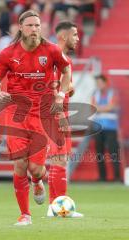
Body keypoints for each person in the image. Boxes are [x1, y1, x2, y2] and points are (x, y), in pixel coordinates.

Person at [0, 10, 71, 226]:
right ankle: (25, 214)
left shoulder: (52, 50)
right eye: (30, 26)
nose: (35, 29)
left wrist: (61, 94)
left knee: (35, 169)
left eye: (37, 25)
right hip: (15, 113)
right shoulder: (8, 53)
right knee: (19, 164)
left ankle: (37, 181)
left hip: (41, 114)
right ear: (21, 28)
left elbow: (67, 70)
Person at [47, 21, 83, 218]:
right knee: (59, 161)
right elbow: (51, 89)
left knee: (57, 161)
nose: (78, 38)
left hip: (58, 114)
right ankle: (61, 210)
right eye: (75, 35)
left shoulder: (63, 58)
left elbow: (63, 87)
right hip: (56, 115)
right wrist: (59, 114)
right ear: (63, 36)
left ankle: (54, 207)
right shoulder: (55, 57)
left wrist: (69, 88)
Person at [92, 74, 120, 181]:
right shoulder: (95, 94)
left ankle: (116, 177)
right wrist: (105, 108)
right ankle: (102, 177)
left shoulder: (112, 93)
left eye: (100, 82)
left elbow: (112, 106)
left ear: (105, 83)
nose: (98, 85)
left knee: (113, 153)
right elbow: (93, 107)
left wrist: (100, 108)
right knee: (100, 154)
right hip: (98, 128)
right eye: (97, 83)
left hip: (111, 128)